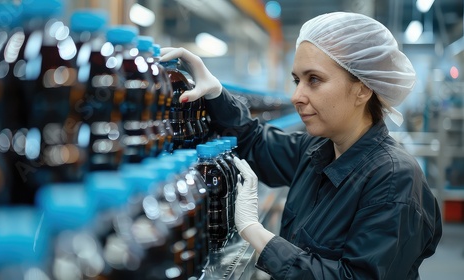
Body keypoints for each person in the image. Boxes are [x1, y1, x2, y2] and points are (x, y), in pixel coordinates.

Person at [161, 12, 442, 279]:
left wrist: (256, 232)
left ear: (363, 88)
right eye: (297, 80)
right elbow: (254, 141)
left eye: (314, 80)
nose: (297, 95)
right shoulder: (317, 150)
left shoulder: (394, 180)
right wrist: (217, 94)